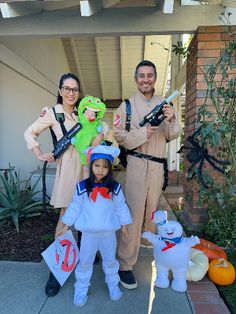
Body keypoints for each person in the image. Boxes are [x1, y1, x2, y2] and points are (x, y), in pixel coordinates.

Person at [24, 73, 107, 297]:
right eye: (67, 89)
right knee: (66, 217)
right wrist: (39, 153)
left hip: (88, 167)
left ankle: (85, 253)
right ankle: (57, 269)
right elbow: (29, 132)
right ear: (60, 90)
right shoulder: (52, 113)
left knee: (88, 214)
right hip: (68, 167)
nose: (71, 93)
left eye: (75, 89)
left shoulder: (86, 113)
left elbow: (101, 132)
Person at [113, 60, 181, 289]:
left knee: (153, 212)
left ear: (155, 77)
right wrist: (142, 133)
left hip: (157, 167)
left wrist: (171, 119)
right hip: (137, 164)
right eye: (141, 75)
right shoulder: (127, 106)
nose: (145, 79)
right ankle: (125, 264)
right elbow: (118, 135)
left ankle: (147, 243)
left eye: (149, 75)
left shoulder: (165, 105)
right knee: (132, 214)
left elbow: (173, 135)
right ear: (136, 79)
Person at [57, 145, 132, 307]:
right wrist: (65, 225)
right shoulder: (82, 187)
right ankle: (81, 287)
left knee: (110, 260)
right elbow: (74, 207)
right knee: (85, 261)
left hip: (108, 233)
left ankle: (112, 283)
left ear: (110, 168)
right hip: (89, 234)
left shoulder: (115, 188)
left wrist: (125, 225)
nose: (100, 170)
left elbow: (121, 207)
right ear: (90, 166)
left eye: (105, 166)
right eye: (97, 165)